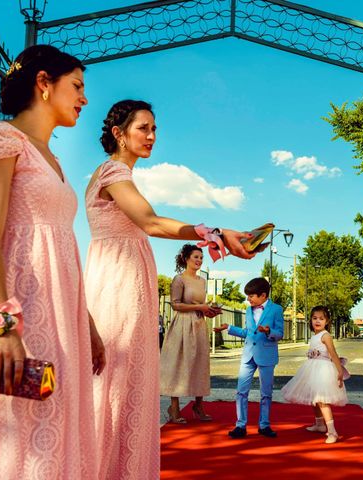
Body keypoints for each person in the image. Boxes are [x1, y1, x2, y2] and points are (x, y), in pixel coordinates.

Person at [84, 99, 254, 479]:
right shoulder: (113, 172)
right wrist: (213, 232)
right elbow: (150, 222)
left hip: (123, 279)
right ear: (118, 134)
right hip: (117, 285)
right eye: (143, 128)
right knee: (117, 381)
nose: (151, 136)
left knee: (125, 382)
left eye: (155, 129)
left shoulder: (114, 174)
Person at [0, 45, 105, 479]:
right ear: (44, 83)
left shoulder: (52, 159)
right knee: (25, 437)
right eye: (78, 86)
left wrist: (86, 324)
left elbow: (61, 247)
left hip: (62, 317)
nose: (84, 98)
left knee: (57, 431)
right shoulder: (0, 138)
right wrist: (1, 326)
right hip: (20, 313)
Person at [213, 277, 284, 438]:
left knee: (266, 393)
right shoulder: (248, 309)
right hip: (248, 355)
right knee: (241, 391)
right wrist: (229, 328)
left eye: (251, 296)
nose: (248, 299)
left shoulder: (276, 309)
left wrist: (268, 331)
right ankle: (240, 425)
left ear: (263, 295)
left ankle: (264, 425)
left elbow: (280, 334)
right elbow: (247, 332)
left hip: (266, 355)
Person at [160, 244, 220, 423]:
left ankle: (198, 405)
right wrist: (199, 307)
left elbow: (201, 305)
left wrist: (209, 310)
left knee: (200, 364)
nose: (199, 261)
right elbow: (176, 304)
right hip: (182, 324)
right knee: (179, 364)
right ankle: (174, 408)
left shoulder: (202, 281)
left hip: (199, 323)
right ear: (186, 258)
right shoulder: (179, 279)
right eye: (196, 257)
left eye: (201, 258)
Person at [281, 305, 347, 444]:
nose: (317, 321)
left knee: (322, 400)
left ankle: (332, 432)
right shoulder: (314, 336)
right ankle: (319, 425)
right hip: (312, 368)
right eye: (314, 318)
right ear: (310, 320)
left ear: (327, 321)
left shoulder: (325, 335)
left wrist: (339, 370)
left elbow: (333, 353)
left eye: (321, 319)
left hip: (323, 370)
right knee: (314, 399)